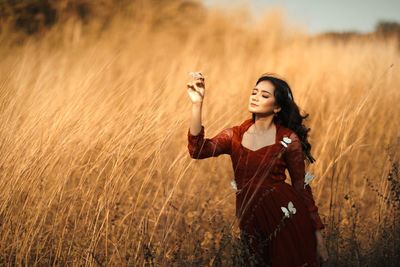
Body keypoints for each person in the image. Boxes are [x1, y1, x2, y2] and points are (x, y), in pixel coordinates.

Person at [186, 72, 329, 267]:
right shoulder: (234, 135)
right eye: (254, 92)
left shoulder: (288, 140)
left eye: (264, 95)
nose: (255, 97)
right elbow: (198, 150)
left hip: (286, 218)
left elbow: (301, 187)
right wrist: (197, 104)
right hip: (250, 218)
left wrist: (318, 237)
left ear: (277, 107)